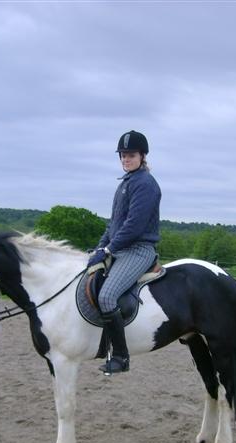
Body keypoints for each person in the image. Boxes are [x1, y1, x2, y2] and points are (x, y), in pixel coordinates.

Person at [87, 130, 162, 374]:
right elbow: (114, 225)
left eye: (130, 155)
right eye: (122, 155)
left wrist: (108, 249)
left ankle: (120, 356)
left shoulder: (146, 184)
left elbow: (133, 227)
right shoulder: (126, 183)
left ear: (142, 156)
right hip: (121, 248)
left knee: (107, 296)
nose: (125, 159)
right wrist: (100, 248)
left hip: (138, 250)